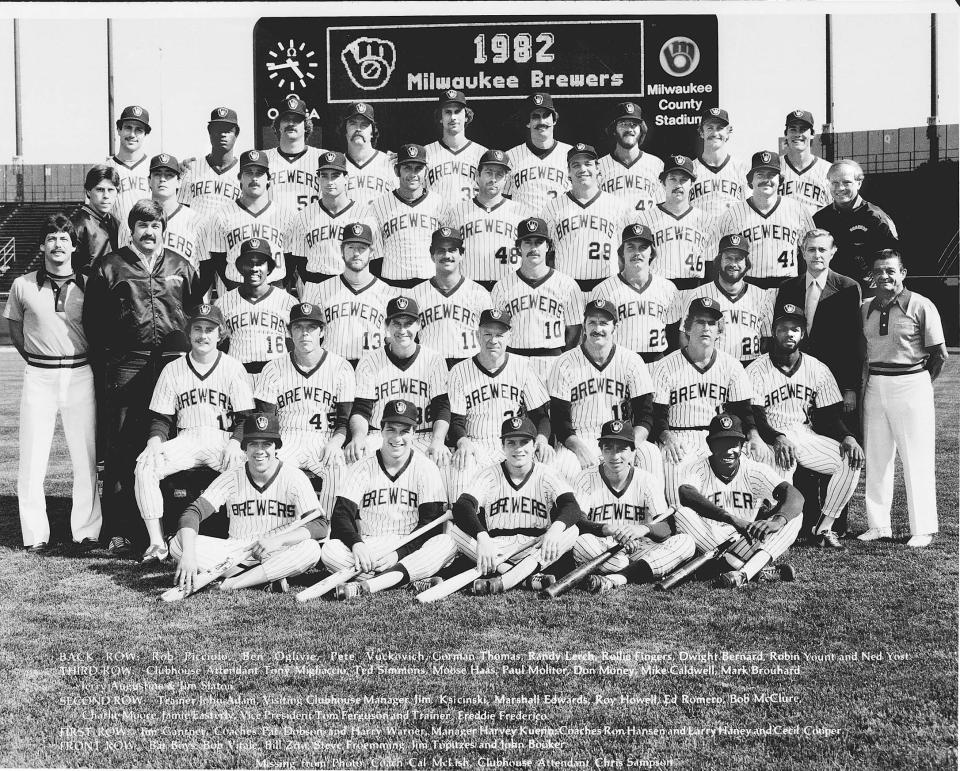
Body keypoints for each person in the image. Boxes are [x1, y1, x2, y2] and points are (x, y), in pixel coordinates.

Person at [83, 199, 203, 555]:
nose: (149, 232)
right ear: (131, 230)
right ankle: (119, 530)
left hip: (170, 364)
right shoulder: (111, 266)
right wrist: (112, 362)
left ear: (163, 229)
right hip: (127, 365)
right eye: (142, 226)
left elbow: (198, 312)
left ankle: (173, 527)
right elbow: (94, 323)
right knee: (122, 449)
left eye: (155, 226)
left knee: (171, 446)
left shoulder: (180, 265)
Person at [4, 215, 101, 553]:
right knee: (32, 456)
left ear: (74, 245)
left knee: (84, 456)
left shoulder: (90, 283)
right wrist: (35, 355)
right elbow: (15, 328)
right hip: (40, 375)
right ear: (42, 244)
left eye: (64, 238)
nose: (58, 244)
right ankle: (35, 534)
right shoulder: (22, 284)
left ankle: (86, 531)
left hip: (79, 373)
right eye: (51, 238)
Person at [133, 304, 254, 561]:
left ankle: (243, 537)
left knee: (245, 467)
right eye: (197, 329)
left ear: (220, 333)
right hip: (187, 437)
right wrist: (154, 442)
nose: (203, 335)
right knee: (145, 465)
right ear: (188, 333)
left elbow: (245, 418)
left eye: (210, 329)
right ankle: (157, 542)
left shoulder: (234, 368)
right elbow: (161, 417)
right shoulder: (173, 369)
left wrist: (235, 443)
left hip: (222, 439)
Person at [170, 412, 327, 596]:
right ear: (245, 447)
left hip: (276, 550)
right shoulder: (232, 476)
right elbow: (193, 513)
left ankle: (230, 584)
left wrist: (278, 540)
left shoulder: (294, 477)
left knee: (311, 549)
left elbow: (320, 524)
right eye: (253, 443)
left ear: (276, 447)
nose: (260, 450)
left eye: (266, 444)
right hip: (237, 551)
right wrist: (188, 554)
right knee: (177, 545)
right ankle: (266, 577)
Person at [746, 304, 864, 547]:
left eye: (795, 329)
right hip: (771, 435)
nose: (789, 334)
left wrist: (848, 438)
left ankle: (823, 527)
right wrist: (777, 438)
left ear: (803, 334)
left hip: (803, 432)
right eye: (783, 328)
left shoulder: (817, 369)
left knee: (848, 461)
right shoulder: (756, 369)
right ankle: (773, 530)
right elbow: (755, 414)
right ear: (773, 332)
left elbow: (830, 417)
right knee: (778, 475)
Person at [775, 229, 863, 540]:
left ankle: (834, 525)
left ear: (833, 251)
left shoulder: (848, 288)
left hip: (834, 381)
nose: (817, 255)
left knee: (836, 447)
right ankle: (804, 518)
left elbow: (856, 342)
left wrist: (851, 386)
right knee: (799, 450)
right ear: (802, 252)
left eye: (822, 249)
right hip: (796, 376)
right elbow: (781, 331)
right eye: (811, 249)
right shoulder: (788, 288)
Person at [320, 399, 457, 599]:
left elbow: (430, 526)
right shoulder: (361, 467)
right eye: (391, 429)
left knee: (446, 544)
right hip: (370, 547)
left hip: (410, 546)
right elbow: (341, 517)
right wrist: (357, 544)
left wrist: (398, 554)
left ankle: (367, 584)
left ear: (413, 433)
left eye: (404, 431)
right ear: (382, 431)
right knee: (330, 550)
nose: (397, 437)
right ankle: (406, 580)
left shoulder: (426, 467)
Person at [859, 250, 947, 548]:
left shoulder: (921, 305)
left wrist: (918, 382)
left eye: (891, 270)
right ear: (872, 275)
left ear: (903, 273)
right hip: (876, 384)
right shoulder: (865, 308)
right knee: (877, 456)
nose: (885, 276)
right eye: (879, 270)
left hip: (911, 383)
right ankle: (878, 524)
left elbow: (939, 355)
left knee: (916, 458)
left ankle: (922, 528)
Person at [450, 416, 582, 594]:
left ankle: (505, 577)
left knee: (571, 530)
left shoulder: (547, 474)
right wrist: (482, 537)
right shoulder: (488, 474)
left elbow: (571, 506)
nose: (518, 449)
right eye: (511, 443)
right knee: (454, 531)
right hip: (496, 548)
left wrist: (554, 531)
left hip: (535, 548)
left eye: (524, 442)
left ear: (534, 445)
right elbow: (463, 506)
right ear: (502, 446)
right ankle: (524, 578)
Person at [674, 413, 804, 588]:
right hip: (712, 539)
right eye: (721, 444)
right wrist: (731, 519)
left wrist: (777, 522)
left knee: (795, 516)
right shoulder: (696, 468)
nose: (728, 450)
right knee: (682, 514)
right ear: (710, 445)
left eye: (733, 444)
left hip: (746, 538)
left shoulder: (754, 470)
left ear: (742, 445)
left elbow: (794, 494)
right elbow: (686, 493)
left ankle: (740, 573)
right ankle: (754, 570)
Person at [650, 297, 758, 505]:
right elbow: (656, 414)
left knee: (750, 461)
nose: (706, 328)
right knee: (676, 471)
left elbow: (743, 412)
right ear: (687, 327)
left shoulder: (732, 366)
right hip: (679, 435)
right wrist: (666, 436)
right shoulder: (665, 366)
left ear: (720, 330)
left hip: (720, 435)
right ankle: (678, 522)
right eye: (700, 322)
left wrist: (753, 436)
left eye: (711, 323)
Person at [255, 302, 355, 521]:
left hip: (324, 439)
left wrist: (335, 443)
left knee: (338, 466)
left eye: (311, 327)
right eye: (299, 327)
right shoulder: (272, 369)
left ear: (323, 331)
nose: (305, 333)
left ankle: (327, 528)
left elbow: (343, 422)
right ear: (289, 331)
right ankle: (275, 529)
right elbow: (266, 419)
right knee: (267, 465)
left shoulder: (341, 367)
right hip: (285, 437)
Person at [572, 420, 695, 593]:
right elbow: (577, 521)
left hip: (640, 548)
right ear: (601, 451)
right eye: (609, 448)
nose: (615, 456)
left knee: (686, 542)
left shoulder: (647, 480)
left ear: (633, 452)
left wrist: (643, 529)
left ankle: (618, 577)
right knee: (581, 542)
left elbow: (667, 527)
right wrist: (608, 529)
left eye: (622, 449)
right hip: (603, 547)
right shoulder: (585, 478)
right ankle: (639, 571)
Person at [549, 298, 661, 482]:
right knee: (563, 464)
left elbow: (646, 416)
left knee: (650, 453)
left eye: (604, 323)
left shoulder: (631, 361)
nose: (597, 329)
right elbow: (560, 422)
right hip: (581, 437)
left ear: (614, 328)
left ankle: (656, 511)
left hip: (623, 436)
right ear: (584, 327)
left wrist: (632, 446)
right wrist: (579, 449)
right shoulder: (564, 363)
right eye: (592, 322)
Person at [447, 308, 552, 498]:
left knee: (545, 468)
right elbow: (456, 420)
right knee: (461, 471)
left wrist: (542, 440)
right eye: (487, 334)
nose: (493, 340)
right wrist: (462, 441)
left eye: (499, 335)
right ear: (478, 335)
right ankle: (459, 526)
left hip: (514, 441)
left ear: (509, 337)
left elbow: (541, 416)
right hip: (476, 443)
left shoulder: (523, 366)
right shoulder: (459, 371)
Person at [347, 297, 451, 465]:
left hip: (422, 434)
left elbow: (442, 408)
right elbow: (361, 409)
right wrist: (358, 437)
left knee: (444, 463)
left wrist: (438, 440)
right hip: (380, 435)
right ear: (387, 326)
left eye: (408, 324)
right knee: (353, 460)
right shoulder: (369, 361)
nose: (403, 330)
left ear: (418, 325)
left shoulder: (434, 360)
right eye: (397, 323)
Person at [490, 217, 583, 382]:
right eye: (528, 242)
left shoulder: (567, 285)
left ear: (547, 246)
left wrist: (563, 359)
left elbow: (574, 330)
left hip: (553, 358)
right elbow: (497, 331)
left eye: (539, 242)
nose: (533, 248)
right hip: (515, 358)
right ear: (518, 247)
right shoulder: (502, 287)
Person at [708, 151, 815, 289]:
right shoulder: (732, 214)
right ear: (750, 181)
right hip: (748, 284)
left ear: (780, 180)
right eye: (760, 175)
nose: (766, 180)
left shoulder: (798, 209)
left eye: (771, 175)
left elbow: (813, 250)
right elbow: (713, 255)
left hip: (788, 284)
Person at [300, 223, 394, 368]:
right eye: (351, 247)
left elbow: (391, 340)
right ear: (342, 250)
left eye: (362, 248)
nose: (356, 253)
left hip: (374, 366)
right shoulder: (320, 290)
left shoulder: (387, 292)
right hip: (332, 366)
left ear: (372, 252)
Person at [542, 142, 630, 292]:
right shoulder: (552, 207)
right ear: (568, 172)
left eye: (588, 164)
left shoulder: (618, 206)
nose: (583, 169)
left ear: (597, 168)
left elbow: (626, 252)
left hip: (608, 285)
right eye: (576, 165)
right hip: (566, 287)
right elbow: (546, 253)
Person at [201, 149, 289, 296]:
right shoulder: (222, 215)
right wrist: (232, 286)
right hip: (234, 286)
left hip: (275, 288)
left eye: (259, 173)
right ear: (239, 177)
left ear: (268, 178)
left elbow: (291, 258)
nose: (254, 178)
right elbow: (218, 258)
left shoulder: (284, 214)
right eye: (249, 172)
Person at [588, 223, 678, 364]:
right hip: (619, 362)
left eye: (643, 248)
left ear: (651, 253)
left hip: (657, 362)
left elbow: (674, 336)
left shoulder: (668, 288)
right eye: (631, 247)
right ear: (622, 252)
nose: (637, 253)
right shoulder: (603, 290)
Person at [676, 234, 773, 365]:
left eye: (738, 259)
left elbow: (768, 340)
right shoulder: (697, 294)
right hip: (713, 366)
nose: (733, 264)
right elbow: (684, 335)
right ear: (718, 260)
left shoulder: (762, 296)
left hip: (751, 365)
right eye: (728, 258)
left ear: (746, 263)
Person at [366, 143, 451, 289]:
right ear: (396, 170)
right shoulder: (378, 205)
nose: (413, 174)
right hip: (392, 283)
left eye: (418, 168)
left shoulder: (440, 203)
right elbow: (375, 256)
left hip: (430, 283)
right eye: (407, 168)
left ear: (426, 171)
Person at [445, 149, 532, 290]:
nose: (493, 179)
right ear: (477, 176)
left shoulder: (522, 212)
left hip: (509, 285)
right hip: (469, 285)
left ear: (506, 179)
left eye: (499, 174)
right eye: (488, 172)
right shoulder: (458, 211)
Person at [284, 150, 372, 289]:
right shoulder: (304, 216)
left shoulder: (365, 215)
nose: (330, 181)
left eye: (335, 175)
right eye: (324, 176)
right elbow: (299, 259)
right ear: (318, 179)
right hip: (315, 284)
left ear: (346, 178)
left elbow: (373, 258)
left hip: (352, 285)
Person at [214, 238, 296, 379]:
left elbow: (294, 344)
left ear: (269, 268)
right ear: (239, 268)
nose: (254, 268)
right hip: (239, 374)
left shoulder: (287, 301)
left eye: (260, 263)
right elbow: (219, 346)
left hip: (277, 373)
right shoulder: (223, 303)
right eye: (248, 263)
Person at [410, 227, 491, 368]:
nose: (447, 255)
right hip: (430, 365)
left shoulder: (479, 293)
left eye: (452, 250)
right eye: (441, 251)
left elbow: (490, 335)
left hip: (469, 364)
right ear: (432, 255)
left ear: (462, 255)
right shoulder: (416, 294)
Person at [812, 159, 899, 287]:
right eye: (834, 183)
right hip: (829, 291)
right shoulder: (819, 219)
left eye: (846, 182)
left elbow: (894, 260)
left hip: (867, 295)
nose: (840, 188)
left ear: (859, 183)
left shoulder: (877, 219)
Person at [635, 154, 712, 290]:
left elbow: (711, 263)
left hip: (694, 287)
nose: (678, 185)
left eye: (683, 180)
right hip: (657, 287)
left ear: (692, 184)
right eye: (673, 179)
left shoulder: (706, 220)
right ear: (663, 183)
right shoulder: (645, 219)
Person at [118, 154, 204, 269]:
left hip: (184, 285)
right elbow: (122, 267)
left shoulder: (196, 221)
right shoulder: (129, 221)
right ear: (149, 181)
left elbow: (205, 269)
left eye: (169, 175)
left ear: (179, 182)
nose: (163, 179)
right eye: (157, 174)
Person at [504, 93, 572, 213]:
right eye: (535, 117)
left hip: (559, 227)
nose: (542, 121)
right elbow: (503, 200)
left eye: (546, 116)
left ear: (554, 120)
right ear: (528, 122)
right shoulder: (510, 157)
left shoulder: (570, 154)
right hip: (524, 227)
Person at [597, 101, 664, 217]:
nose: (629, 129)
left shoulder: (656, 164)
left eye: (634, 124)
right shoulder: (599, 166)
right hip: (613, 232)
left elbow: (663, 206)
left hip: (646, 231)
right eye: (623, 124)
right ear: (614, 129)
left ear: (641, 129)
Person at [178, 107, 243, 219]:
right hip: (196, 234)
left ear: (236, 134)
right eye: (218, 129)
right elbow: (182, 210)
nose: (223, 134)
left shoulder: (244, 173)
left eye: (228, 130)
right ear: (210, 132)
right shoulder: (191, 168)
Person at [263, 96, 325, 215]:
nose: (291, 123)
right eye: (286, 119)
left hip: (311, 225)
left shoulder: (321, 157)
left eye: (297, 120)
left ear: (306, 126)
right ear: (278, 125)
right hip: (274, 225)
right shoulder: (264, 158)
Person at [424, 90, 487, 204]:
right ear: (440, 118)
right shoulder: (426, 153)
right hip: (436, 217)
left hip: (470, 218)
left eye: (457, 112)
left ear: (466, 116)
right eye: (448, 112)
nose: (453, 117)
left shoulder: (482, 153)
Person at [690, 107, 749, 220]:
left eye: (720, 128)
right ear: (702, 132)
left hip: (732, 233)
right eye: (710, 128)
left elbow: (749, 209)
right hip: (700, 232)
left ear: (728, 133)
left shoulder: (742, 168)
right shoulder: (691, 169)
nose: (715, 133)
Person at [339, 101, 397, 208]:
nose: (358, 129)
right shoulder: (337, 164)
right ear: (345, 130)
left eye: (364, 125)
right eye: (353, 123)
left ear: (372, 132)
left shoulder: (389, 162)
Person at [779, 109, 833, 217]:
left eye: (803, 130)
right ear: (786, 134)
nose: (798, 134)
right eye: (793, 130)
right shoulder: (774, 167)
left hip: (817, 230)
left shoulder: (827, 169)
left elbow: (834, 209)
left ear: (812, 134)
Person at [71, 165, 121, 278]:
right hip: (85, 290)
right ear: (88, 192)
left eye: (111, 190)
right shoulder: (77, 225)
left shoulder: (116, 223)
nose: (106, 196)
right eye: (100, 190)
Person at [107, 105, 152, 225]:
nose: (132, 134)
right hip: (113, 239)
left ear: (145, 134)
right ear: (118, 129)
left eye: (139, 130)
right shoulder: (105, 168)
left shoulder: (154, 167)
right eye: (128, 128)